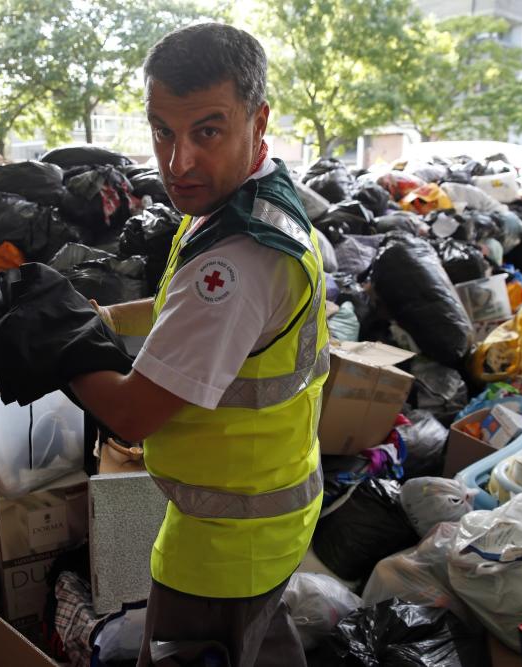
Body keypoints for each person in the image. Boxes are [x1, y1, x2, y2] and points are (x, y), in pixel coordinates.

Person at [69, 24, 328, 667]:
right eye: (162, 131)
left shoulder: (240, 260)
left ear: (257, 120)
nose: (177, 161)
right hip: (265, 507)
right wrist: (104, 316)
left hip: (223, 549)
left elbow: (131, 415)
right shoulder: (251, 202)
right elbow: (181, 316)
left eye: (206, 132)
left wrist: (59, 350)